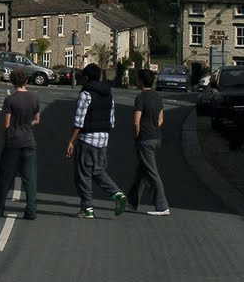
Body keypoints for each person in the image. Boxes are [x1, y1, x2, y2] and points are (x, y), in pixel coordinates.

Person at [65, 63, 128, 219]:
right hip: (103, 138)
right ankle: (117, 194)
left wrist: (71, 141)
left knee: (83, 174)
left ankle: (87, 208)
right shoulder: (108, 93)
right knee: (98, 170)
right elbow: (112, 119)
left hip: (88, 139)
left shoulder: (86, 94)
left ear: (86, 77)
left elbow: (79, 120)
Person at [0, 67, 41, 219]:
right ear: (26, 81)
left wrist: (5, 137)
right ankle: (31, 210)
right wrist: (26, 124)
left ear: (12, 82)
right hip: (29, 142)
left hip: (13, 142)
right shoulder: (34, 98)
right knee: (30, 179)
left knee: (5, 176)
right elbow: (37, 119)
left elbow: (6, 124)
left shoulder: (10, 100)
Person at [127, 68, 171, 215]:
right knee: (142, 170)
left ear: (141, 81)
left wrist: (137, 136)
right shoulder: (157, 97)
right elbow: (161, 119)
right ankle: (132, 201)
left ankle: (162, 205)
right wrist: (153, 128)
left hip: (144, 139)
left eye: (137, 78)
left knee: (151, 172)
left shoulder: (140, 98)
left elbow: (136, 121)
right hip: (156, 137)